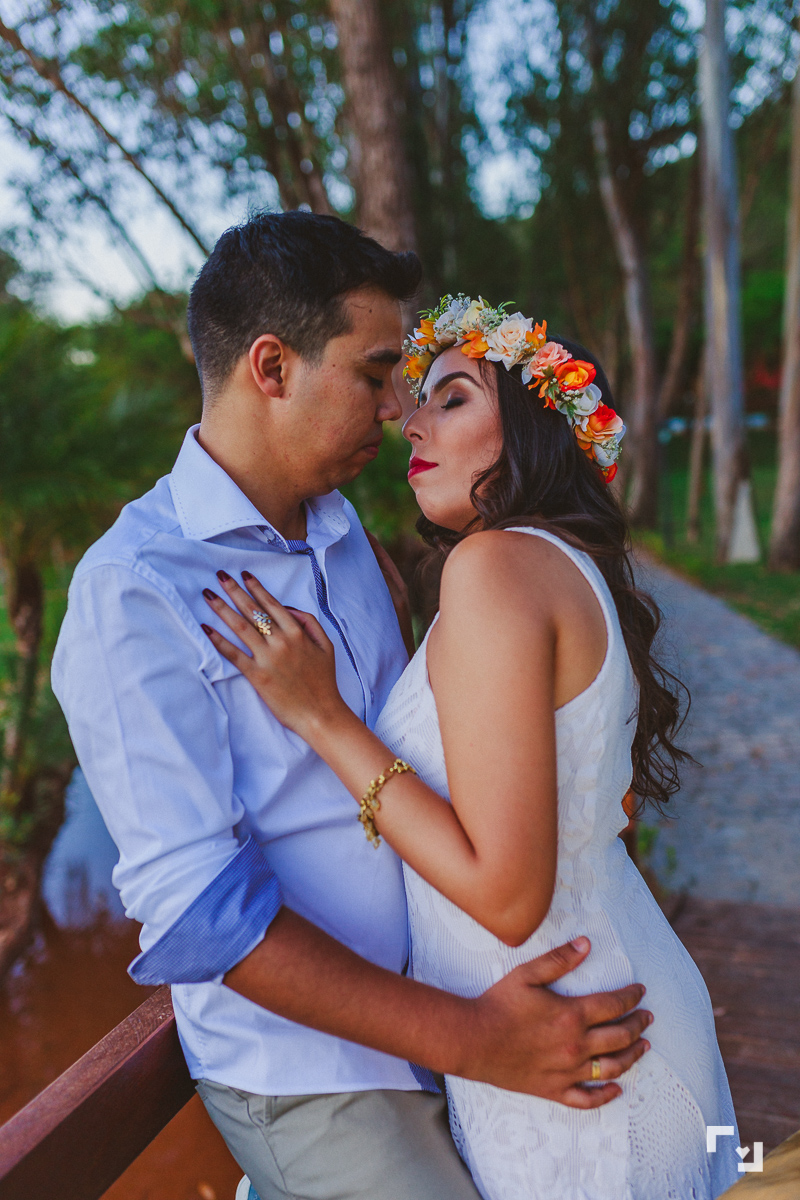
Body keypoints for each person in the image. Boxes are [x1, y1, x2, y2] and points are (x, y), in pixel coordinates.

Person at [52, 215, 652, 1200]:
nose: (391, 409)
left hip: (458, 1000)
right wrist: (473, 1039)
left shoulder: (344, 532)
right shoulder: (136, 589)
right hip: (316, 1073)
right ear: (272, 367)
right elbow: (202, 912)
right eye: (374, 374)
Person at [201, 291, 741, 1199]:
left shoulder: (494, 568)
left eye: (452, 397)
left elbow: (507, 894)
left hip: (572, 1049)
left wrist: (322, 716)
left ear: (530, 430)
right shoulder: (546, 567)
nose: (411, 420)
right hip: (596, 1010)